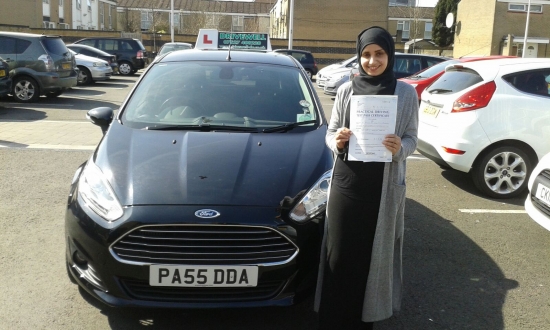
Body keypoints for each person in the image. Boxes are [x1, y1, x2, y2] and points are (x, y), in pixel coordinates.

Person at [314, 26, 419, 329]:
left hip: (382, 189)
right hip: (347, 186)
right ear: (359, 57)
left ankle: (364, 321)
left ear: (390, 55)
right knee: (338, 257)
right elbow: (330, 133)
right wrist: (339, 141)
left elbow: (412, 138)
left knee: (370, 261)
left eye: (379, 54)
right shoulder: (347, 90)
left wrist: (400, 148)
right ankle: (332, 320)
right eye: (366, 55)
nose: (372, 61)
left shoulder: (405, 93)